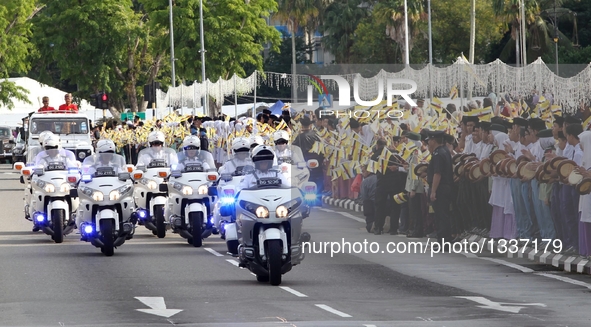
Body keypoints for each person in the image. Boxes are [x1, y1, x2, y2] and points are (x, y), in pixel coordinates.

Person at [425, 130, 454, 249]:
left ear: (433, 141)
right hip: (446, 187)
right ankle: (444, 239)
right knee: (443, 215)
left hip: (441, 188)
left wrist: (433, 191)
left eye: (429, 141)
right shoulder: (445, 151)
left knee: (441, 215)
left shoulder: (438, 154)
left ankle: (443, 241)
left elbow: (438, 173)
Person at [359, 163, 377, 233]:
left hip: (370, 202)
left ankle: (371, 225)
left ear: (368, 171)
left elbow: (364, 196)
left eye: (363, 171)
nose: (362, 174)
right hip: (382, 201)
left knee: (370, 218)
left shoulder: (365, 181)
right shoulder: (379, 178)